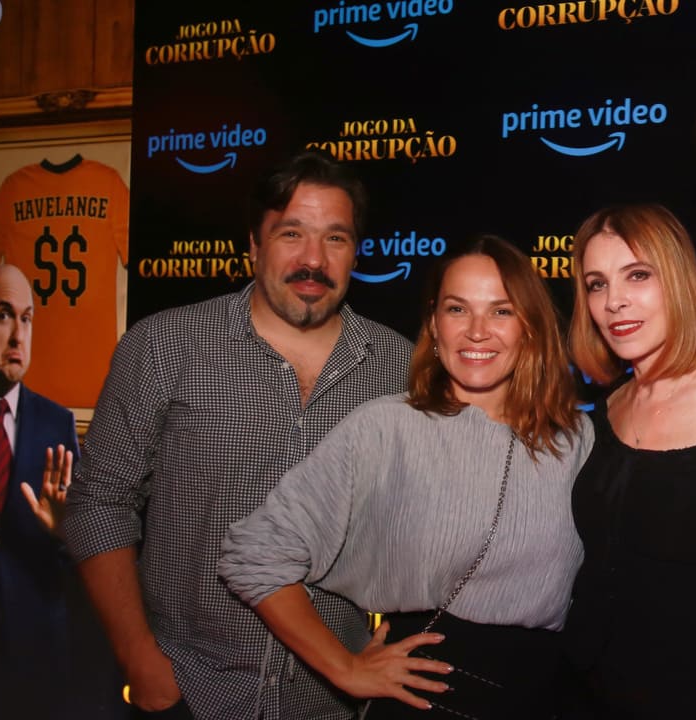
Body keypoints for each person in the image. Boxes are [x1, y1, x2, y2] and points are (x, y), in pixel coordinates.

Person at [63, 151, 414, 720]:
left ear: (356, 252)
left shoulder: (399, 369)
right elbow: (99, 503)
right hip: (192, 694)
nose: (313, 259)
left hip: (330, 701)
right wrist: (140, 660)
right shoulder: (164, 347)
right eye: (291, 233)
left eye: (335, 238)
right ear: (253, 244)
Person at [219, 235, 594, 720]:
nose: (477, 331)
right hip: (426, 695)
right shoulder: (387, 427)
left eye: (501, 311)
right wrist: (344, 668)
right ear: (434, 324)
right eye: (457, 309)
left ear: (531, 327)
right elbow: (253, 553)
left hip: (548, 696)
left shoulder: (575, 437)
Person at [559, 204, 696, 718]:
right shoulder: (607, 408)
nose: (614, 301)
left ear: (679, 280)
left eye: (638, 275)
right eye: (597, 284)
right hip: (584, 692)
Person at [0, 263, 124, 718]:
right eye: (3, 314)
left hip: (38, 659)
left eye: (26, 319)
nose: (18, 335)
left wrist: (66, 531)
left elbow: (85, 561)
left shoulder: (57, 424)